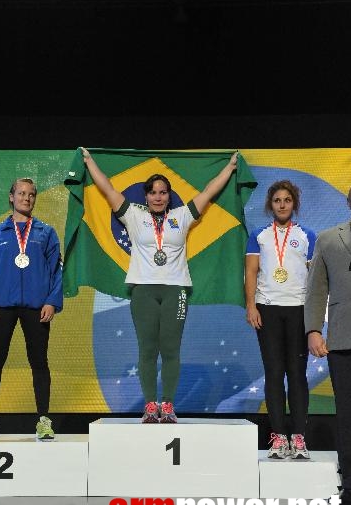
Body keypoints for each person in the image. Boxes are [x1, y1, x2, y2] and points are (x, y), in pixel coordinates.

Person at [81, 147, 238, 423]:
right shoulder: (133, 216)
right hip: (143, 290)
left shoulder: (182, 216)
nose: (158, 196)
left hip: (175, 290)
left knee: (170, 349)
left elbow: (209, 192)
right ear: (146, 196)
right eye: (153, 192)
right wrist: (89, 161)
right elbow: (106, 188)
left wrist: (230, 167)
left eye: (163, 192)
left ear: (169, 195)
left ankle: (168, 405)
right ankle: (150, 406)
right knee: (147, 349)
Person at [0, 178, 63, 441]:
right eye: (22, 193)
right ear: (11, 197)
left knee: (39, 362)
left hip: (37, 306)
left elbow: (57, 271)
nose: (27, 198)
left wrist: (52, 301)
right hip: (0, 304)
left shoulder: (46, 233)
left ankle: (43, 421)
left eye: (32, 194)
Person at [245, 180, 316, 459]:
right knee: (274, 373)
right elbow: (251, 272)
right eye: (277, 200)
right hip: (268, 308)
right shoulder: (259, 235)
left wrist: (314, 316)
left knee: (297, 374)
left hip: (298, 309)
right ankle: (278, 438)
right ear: (270, 204)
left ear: (294, 203)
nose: (282, 204)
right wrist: (251, 306)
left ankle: (298, 437)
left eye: (287, 200)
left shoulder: (308, 235)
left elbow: (315, 280)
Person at [305, 186, 351, 505]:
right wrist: (313, 330)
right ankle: (349, 486)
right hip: (343, 338)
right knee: (347, 416)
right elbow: (316, 290)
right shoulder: (329, 239)